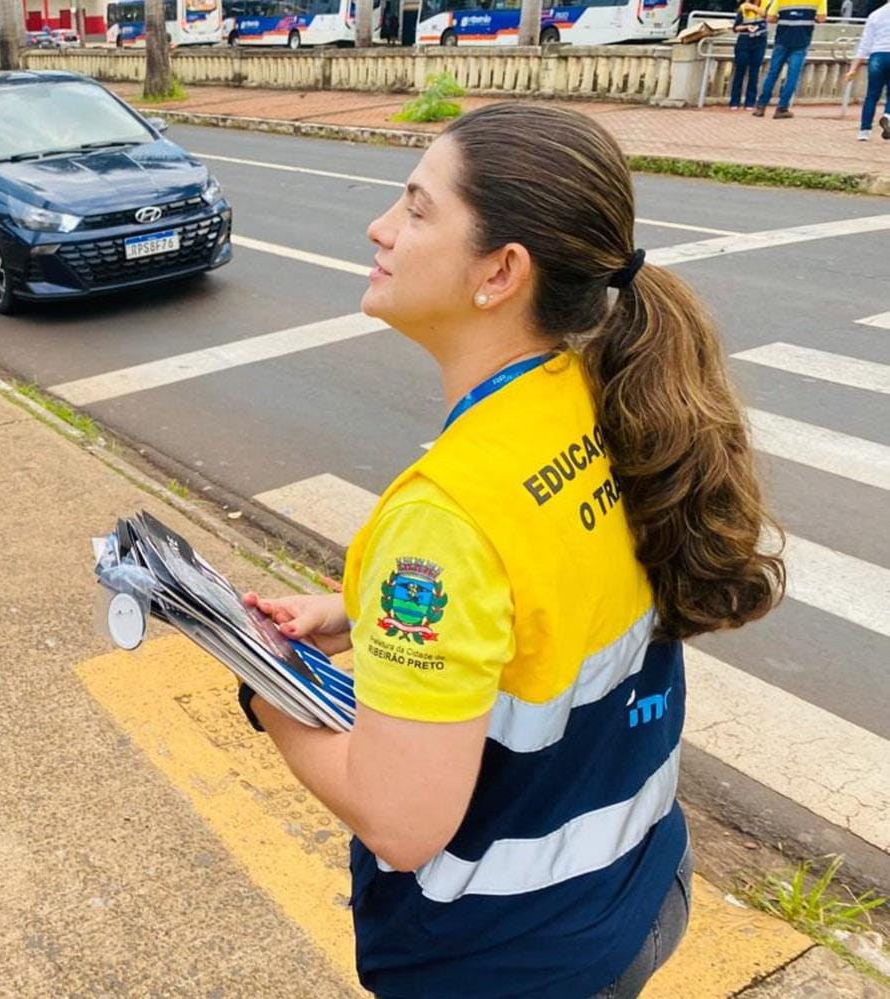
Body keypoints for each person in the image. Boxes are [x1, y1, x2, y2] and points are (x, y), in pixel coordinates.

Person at [241, 103, 784, 998]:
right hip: (639, 885)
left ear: (499, 272)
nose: (380, 226)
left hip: (506, 956)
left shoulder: (448, 516)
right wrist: (355, 611)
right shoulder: (604, 394)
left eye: (418, 209)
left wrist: (266, 689)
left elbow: (402, 821)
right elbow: (542, 586)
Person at [753, 0, 828, 118]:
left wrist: (785, 18)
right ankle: (782, 108)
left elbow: (770, 18)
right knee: (792, 77)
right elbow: (822, 18)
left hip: (782, 39)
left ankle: (761, 106)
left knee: (772, 73)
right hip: (801, 40)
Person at [846, 0, 890, 140]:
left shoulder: (875, 15)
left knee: (871, 95)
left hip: (877, 55)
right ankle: (888, 116)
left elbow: (865, 43)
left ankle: (864, 131)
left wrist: (853, 68)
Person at [730, 0, 769, 109]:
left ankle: (750, 102)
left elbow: (767, 15)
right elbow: (735, 27)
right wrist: (746, 27)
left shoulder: (766, 4)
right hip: (744, 41)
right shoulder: (743, 7)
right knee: (739, 71)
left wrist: (752, 7)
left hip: (760, 41)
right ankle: (734, 101)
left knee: (754, 73)